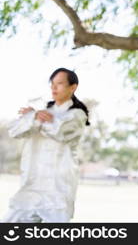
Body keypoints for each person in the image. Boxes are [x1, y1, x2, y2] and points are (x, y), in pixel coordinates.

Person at [2, 68, 89, 223]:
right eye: (52, 84)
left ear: (73, 87)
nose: (54, 88)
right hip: (32, 184)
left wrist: (36, 119)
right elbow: (15, 131)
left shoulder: (76, 115)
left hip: (58, 188)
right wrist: (33, 116)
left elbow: (60, 131)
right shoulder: (40, 113)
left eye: (60, 84)